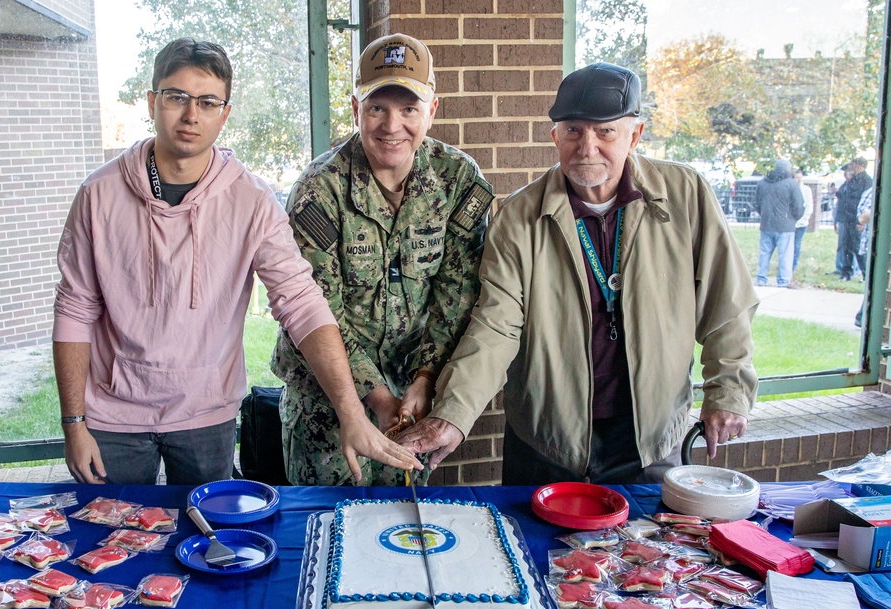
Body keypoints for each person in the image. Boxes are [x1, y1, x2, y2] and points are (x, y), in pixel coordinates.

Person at [53, 38, 420, 485]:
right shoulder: (98, 195)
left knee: (211, 542)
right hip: (112, 414)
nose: (191, 115)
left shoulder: (252, 200)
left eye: (208, 102)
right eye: (176, 97)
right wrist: (73, 424)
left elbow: (301, 303)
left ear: (224, 113)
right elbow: (75, 309)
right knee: (114, 538)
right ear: (152, 102)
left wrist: (351, 412)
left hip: (206, 411)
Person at [396, 62, 759, 485]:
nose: (587, 147)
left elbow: (726, 302)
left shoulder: (686, 195)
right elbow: (495, 327)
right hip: (547, 442)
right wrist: (452, 416)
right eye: (573, 131)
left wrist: (728, 392)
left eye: (605, 131)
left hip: (651, 439)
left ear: (634, 136)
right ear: (555, 137)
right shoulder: (518, 218)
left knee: (649, 549)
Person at [271, 34, 491, 486]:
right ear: (356, 110)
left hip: (412, 402)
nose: (393, 125)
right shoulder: (320, 189)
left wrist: (427, 376)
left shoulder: (457, 180)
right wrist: (373, 395)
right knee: (326, 529)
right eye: (377, 108)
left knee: (401, 531)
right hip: (327, 405)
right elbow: (317, 307)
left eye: (409, 109)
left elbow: (458, 291)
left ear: (431, 111)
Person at [754, 159, 804, 288]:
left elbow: (756, 203)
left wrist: (764, 215)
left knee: (764, 253)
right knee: (785, 254)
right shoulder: (791, 184)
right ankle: (783, 281)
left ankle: (761, 278)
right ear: (788, 169)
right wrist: (793, 219)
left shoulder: (763, 183)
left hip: (766, 224)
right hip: (785, 226)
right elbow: (798, 205)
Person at [835, 157, 873, 280]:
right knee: (845, 246)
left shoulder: (867, 181)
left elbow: (864, 203)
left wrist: (861, 220)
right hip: (845, 218)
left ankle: (865, 273)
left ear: (858, 165)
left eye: (852, 164)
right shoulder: (850, 180)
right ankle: (846, 272)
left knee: (857, 247)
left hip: (856, 219)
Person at [855, 185, 874, 328]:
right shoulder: (874, 191)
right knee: (875, 285)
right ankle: (862, 318)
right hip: (872, 248)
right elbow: (863, 217)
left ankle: (863, 318)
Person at [792, 168, 813, 272]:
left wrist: (805, 218)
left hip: (801, 223)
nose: (798, 180)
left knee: (796, 244)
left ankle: (793, 264)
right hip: (790, 223)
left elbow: (809, 205)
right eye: (796, 178)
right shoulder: (790, 188)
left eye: (800, 178)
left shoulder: (806, 190)